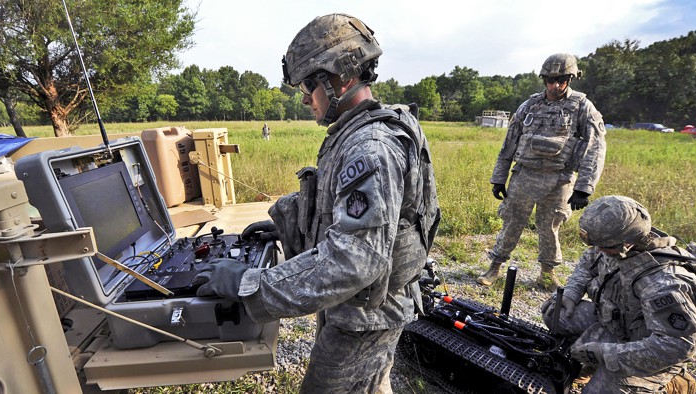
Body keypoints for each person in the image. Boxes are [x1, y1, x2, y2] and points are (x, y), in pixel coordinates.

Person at [194, 13, 440, 393]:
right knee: (372, 384)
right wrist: (286, 224)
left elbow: (354, 261)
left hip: (365, 316)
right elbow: (342, 210)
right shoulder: (355, 130)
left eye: (310, 84)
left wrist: (251, 285)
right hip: (359, 306)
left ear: (340, 77)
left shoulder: (371, 146)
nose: (305, 96)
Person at [540, 195, 696, 393]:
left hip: (651, 351)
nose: (598, 249)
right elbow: (589, 261)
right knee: (555, 313)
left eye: (603, 246)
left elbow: (678, 347)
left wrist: (606, 354)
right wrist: (572, 292)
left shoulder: (663, 284)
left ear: (627, 244)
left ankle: (672, 384)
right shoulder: (613, 245)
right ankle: (592, 367)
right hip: (619, 324)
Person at [477, 53, 607, 291]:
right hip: (525, 176)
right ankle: (494, 267)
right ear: (544, 79)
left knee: (550, 228)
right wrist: (499, 178)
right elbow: (510, 143)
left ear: (571, 78)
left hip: (559, 180)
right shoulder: (529, 105)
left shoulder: (582, 107)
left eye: (561, 80)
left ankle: (547, 273)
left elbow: (595, 148)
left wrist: (583, 188)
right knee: (511, 223)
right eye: (550, 80)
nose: (555, 86)